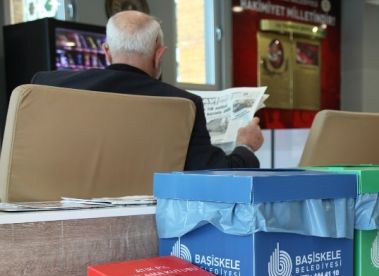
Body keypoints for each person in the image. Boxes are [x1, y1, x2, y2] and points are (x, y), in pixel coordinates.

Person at [32, 10, 263, 171]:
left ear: (107, 51)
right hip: (148, 218)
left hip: (52, 214)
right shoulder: (184, 105)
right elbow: (214, 174)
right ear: (158, 54)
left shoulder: (47, 85)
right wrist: (246, 145)